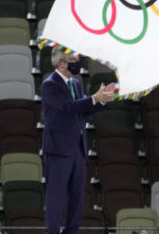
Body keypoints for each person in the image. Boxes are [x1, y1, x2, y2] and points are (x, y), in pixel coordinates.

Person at [42, 48, 116, 234]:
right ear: (61, 63)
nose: (77, 63)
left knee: (77, 196)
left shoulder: (75, 84)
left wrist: (102, 100)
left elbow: (82, 110)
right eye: (72, 59)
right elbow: (67, 107)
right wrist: (93, 98)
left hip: (78, 148)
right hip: (59, 149)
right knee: (56, 197)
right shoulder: (50, 85)